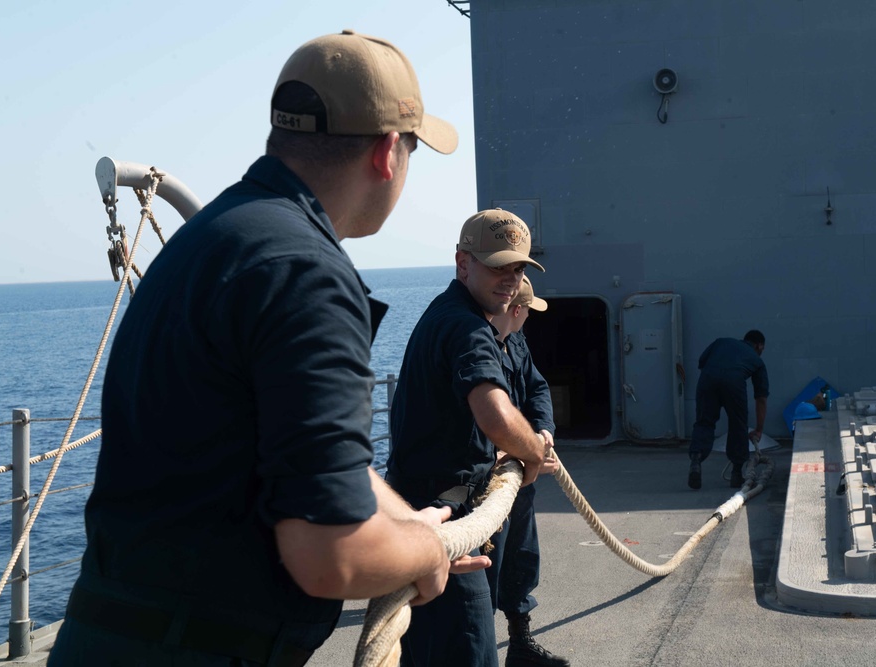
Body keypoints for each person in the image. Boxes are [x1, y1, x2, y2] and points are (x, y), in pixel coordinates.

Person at [49, 31, 486, 667]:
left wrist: (409, 524)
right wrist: (429, 553)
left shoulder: (214, 239)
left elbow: (301, 457)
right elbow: (329, 554)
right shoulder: (307, 274)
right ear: (389, 153)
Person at [386, 209, 550, 667]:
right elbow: (495, 415)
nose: (510, 279)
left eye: (518, 268)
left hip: (440, 510)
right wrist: (534, 451)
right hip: (440, 519)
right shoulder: (467, 326)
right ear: (463, 263)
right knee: (470, 648)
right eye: (498, 265)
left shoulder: (453, 316)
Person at [485, 276, 571, 667]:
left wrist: (543, 433)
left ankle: (520, 644)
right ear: (516, 310)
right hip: (488, 482)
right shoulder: (479, 343)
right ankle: (481, 653)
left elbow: (537, 388)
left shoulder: (516, 341)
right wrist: (525, 452)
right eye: (527, 312)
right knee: (483, 576)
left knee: (521, 556)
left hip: (520, 473)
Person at [687, 330, 769, 490]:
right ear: (759, 346)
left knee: (704, 422)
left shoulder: (721, 342)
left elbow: (701, 362)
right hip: (734, 383)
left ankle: (696, 460)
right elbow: (761, 398)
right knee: (738, 425)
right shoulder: (757, 361)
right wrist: (759, 429)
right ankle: (736, 473)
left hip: (707, 379)